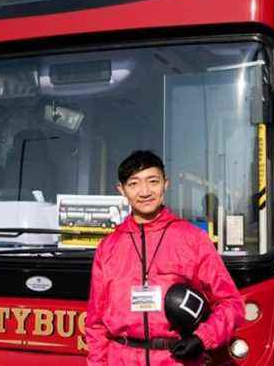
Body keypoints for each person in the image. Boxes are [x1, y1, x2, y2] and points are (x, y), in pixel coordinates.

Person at [86, 150, 244, 365]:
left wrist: (202, 338)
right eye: (134, 184)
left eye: (153, 181)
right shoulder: (108, 247)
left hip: (176, 359)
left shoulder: (192, 239)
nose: (144, 192)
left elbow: (231, 304)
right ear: (121, 190)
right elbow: (96, 324)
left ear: (165, 184)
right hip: (121, 358)